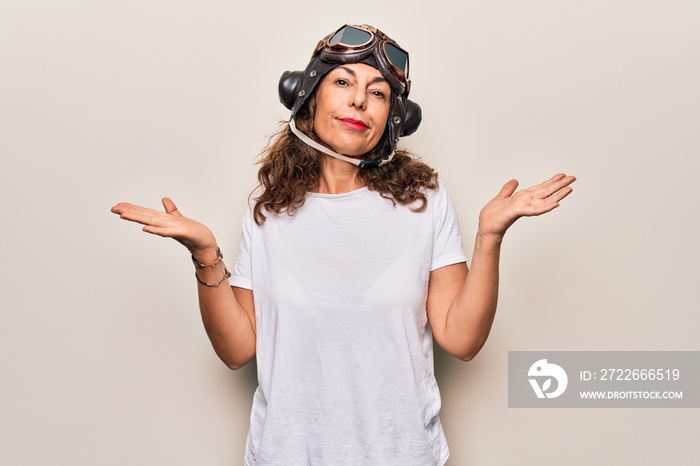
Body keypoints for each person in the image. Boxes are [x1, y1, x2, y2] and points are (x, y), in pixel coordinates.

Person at [112, 24, 575, 466]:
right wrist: (205, 253)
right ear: (307, 97)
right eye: (342, 81)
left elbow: (462, 338)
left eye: (378, 93)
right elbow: (237, 350)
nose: (359, 99)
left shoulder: (424, 201)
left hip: (402, 454)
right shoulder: (268, 207)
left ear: (394, 120)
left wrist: (489, 238)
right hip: (286, 454)